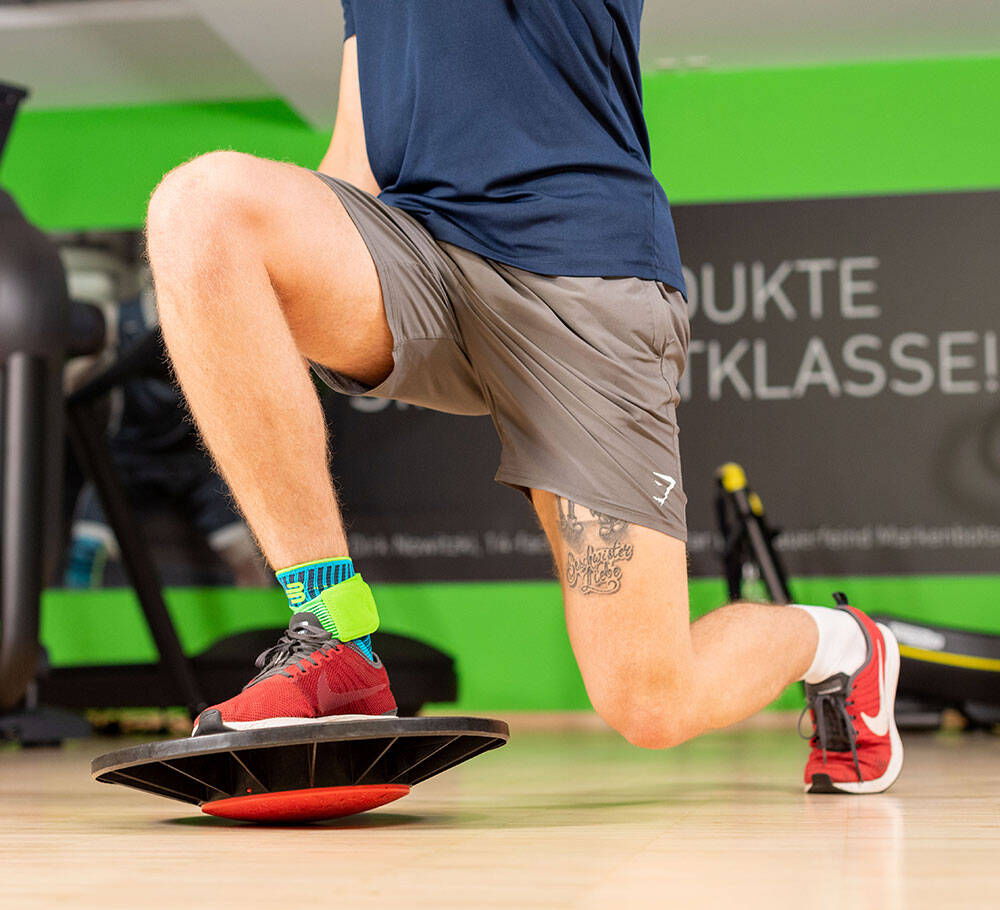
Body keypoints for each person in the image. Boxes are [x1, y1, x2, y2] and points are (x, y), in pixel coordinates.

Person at [144, 1, 902, 794]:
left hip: (581, 275)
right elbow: (354, 156)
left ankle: (843, 644)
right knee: (202, 208)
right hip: (424, 258)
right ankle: (335, 633)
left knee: (649, 700)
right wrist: (250, 300)